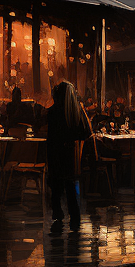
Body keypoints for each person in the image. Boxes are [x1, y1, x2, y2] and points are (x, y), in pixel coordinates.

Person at [44, 81, 92, 225]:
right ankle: (74, 215)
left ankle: (57, 213)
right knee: (70, 184)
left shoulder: (53, 111)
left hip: (55, 150)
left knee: (56, 184)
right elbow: (86, 133)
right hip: (69, 151)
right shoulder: (75, 111)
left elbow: (49, 133)